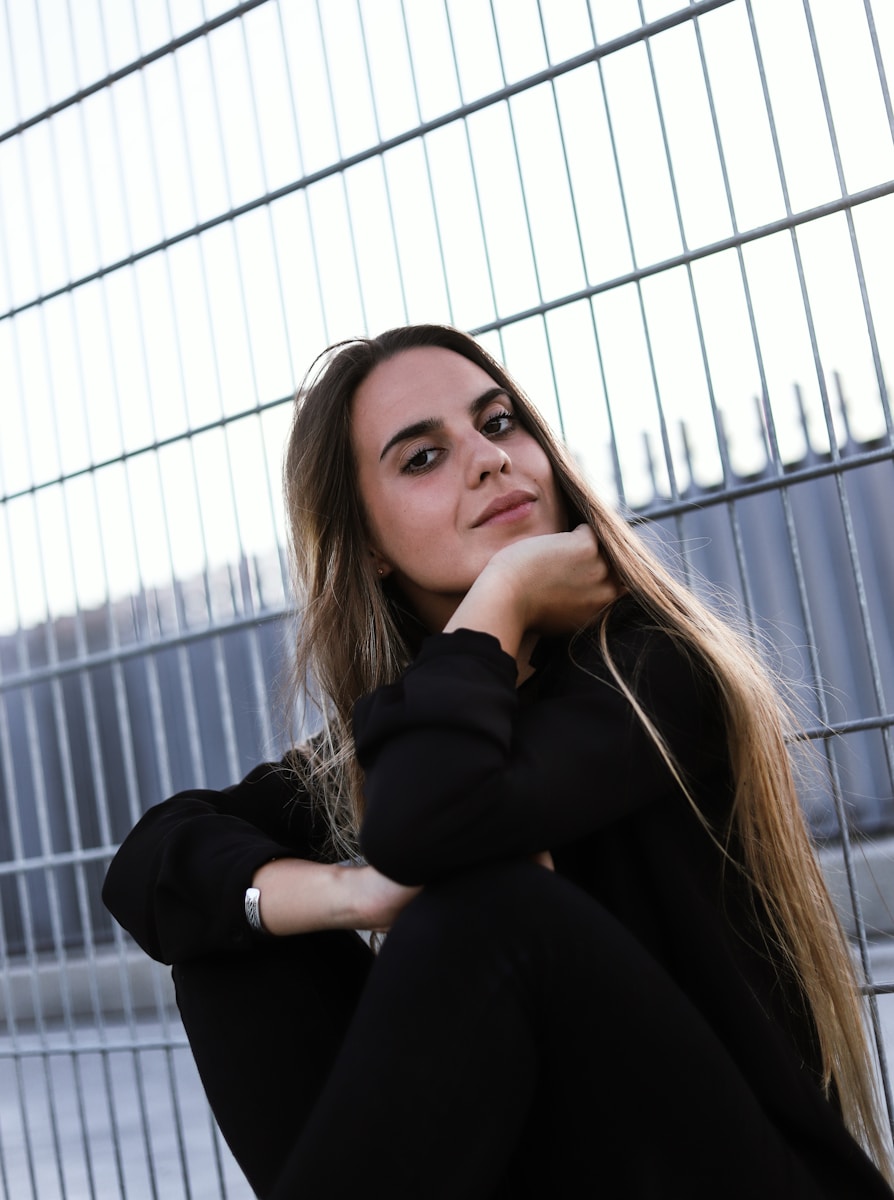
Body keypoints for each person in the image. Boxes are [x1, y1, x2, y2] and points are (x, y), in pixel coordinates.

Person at [103, 324, 893, 1198]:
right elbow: (151, 863)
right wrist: (347, 895)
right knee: (232, 946)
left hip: (735, 1175)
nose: (486, 459)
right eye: (422, 458)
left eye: (500, 422)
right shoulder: (405, 736)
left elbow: (431, 823)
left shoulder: (650, 670)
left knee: (490, 910)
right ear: (366, 544)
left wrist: (505, 592)